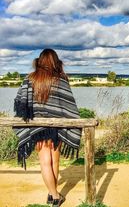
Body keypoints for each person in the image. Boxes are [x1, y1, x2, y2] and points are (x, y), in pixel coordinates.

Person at [13, 49, 82, 207]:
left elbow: (21, 103)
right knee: (54, 162)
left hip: (38, 128)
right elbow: (69, 106)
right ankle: (55, 196)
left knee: (45, 162)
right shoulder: (61, 80)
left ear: (40, 60)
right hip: (56, 128)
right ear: (55, 61)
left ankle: (52, 194)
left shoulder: (30, 79)